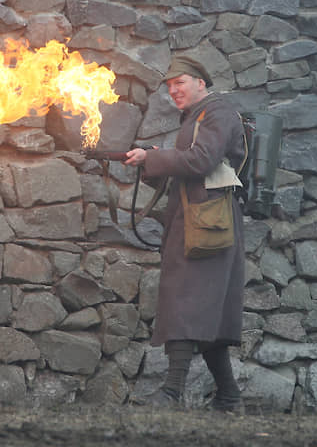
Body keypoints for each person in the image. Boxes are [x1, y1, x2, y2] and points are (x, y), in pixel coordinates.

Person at [124, 54, 247, 412]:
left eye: (180, 83)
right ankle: (229, 398)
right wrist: (150, 158)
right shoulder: (197, 117)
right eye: (169, 86)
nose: (173, 90)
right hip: (197, 222)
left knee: (184, 303)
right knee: (203, 311)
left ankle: (170, 394)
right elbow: (190, 164)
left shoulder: (217, 113)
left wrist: (152, 158)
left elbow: (200, 161)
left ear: (201, 83)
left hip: (210, 224)